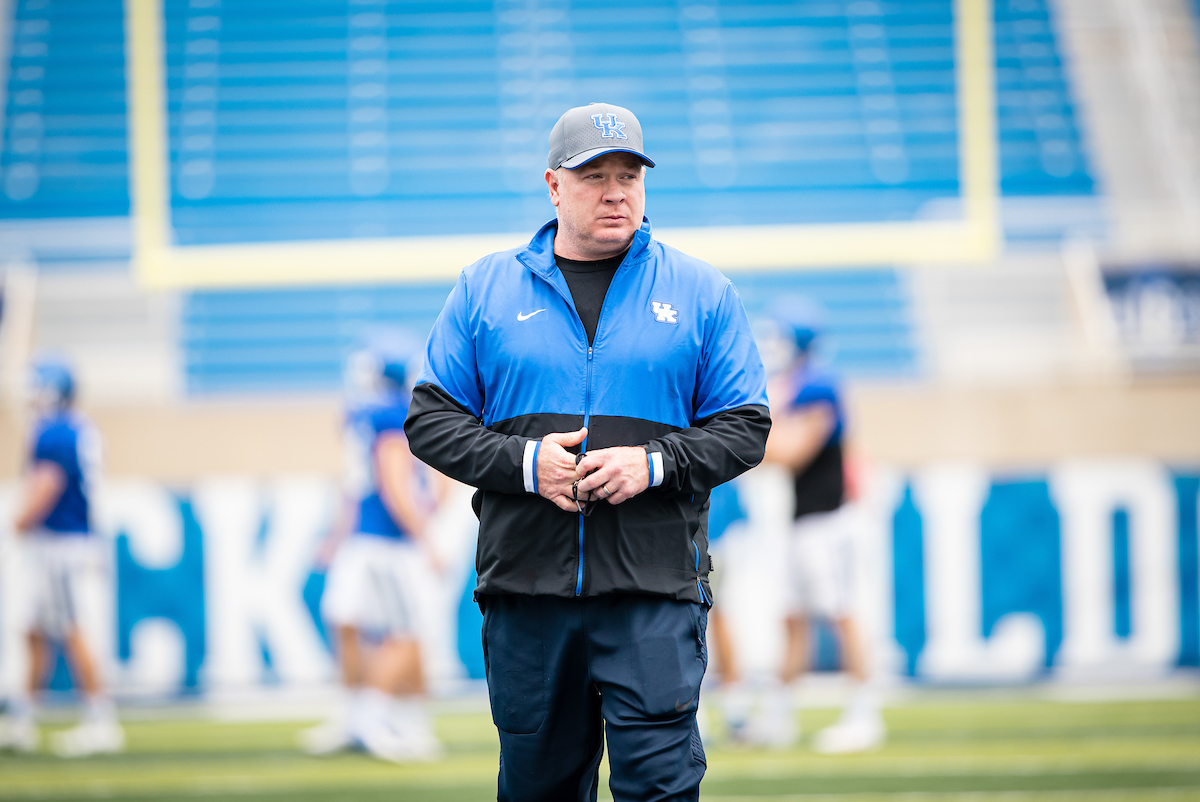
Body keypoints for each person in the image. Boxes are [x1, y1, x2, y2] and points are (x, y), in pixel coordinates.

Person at [405, 102, 770, 802]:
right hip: (528, 594)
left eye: (629, 175)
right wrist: (523, 463)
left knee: (661, 790)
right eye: (595, 175)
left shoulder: (701, 291)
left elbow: (745, 426)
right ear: (553, 186)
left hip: (653, 593)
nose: (615, 192)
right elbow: (430, 421)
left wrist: (654, 462)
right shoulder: (485, 287)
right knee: (538, 791)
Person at [298, 333, 443, 762]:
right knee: (346, 620)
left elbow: (394, 479)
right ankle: (358, 714)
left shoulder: (387, 415)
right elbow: (357, 483)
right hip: (366, 537)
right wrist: (338, 534)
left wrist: (423, 535)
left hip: (388, 543)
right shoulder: (370, 414)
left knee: (403, 633)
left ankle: (387, 718)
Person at [753, 300, 885, 754]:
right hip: (803, 519)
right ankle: (779, 716)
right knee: (791, 616)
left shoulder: (818, 385)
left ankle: (864, 714)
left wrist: (727, 442)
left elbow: (791, 451)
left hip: (830, 519)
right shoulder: (793, 385)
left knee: (842, 612)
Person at [0, 358, 124, 757]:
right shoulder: (76, 427)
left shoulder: (53, 431)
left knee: (72, 628)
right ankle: (23, 720)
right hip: (67, 540)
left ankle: (101, 721)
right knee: (33, 630)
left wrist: (17, 522)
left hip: (60, 543)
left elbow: (47, 483)